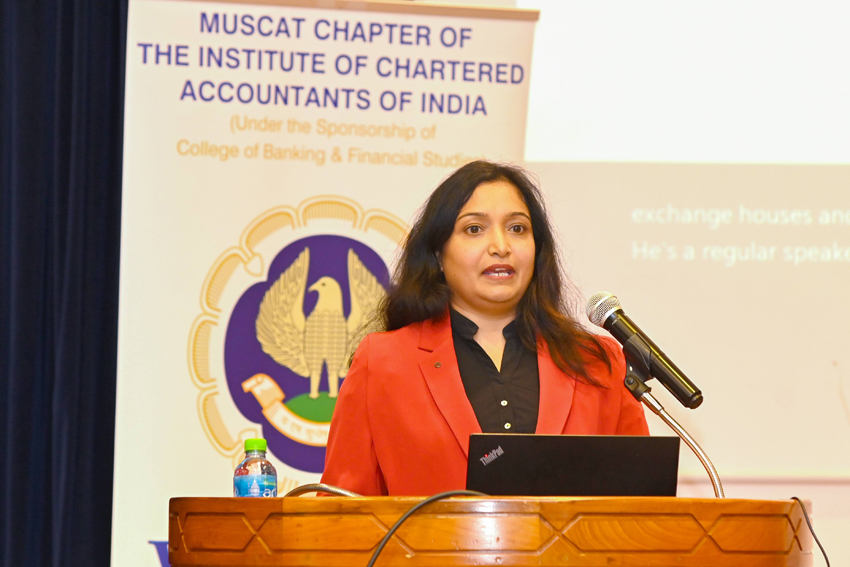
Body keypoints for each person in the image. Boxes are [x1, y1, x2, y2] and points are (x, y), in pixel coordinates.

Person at [321, 160, 648, 496]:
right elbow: (339, 514)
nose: (501, 246)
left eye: (517, 228)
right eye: (474, 229)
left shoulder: (597, 361)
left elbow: (642, 507)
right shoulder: (382, 363)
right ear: (438, 254)